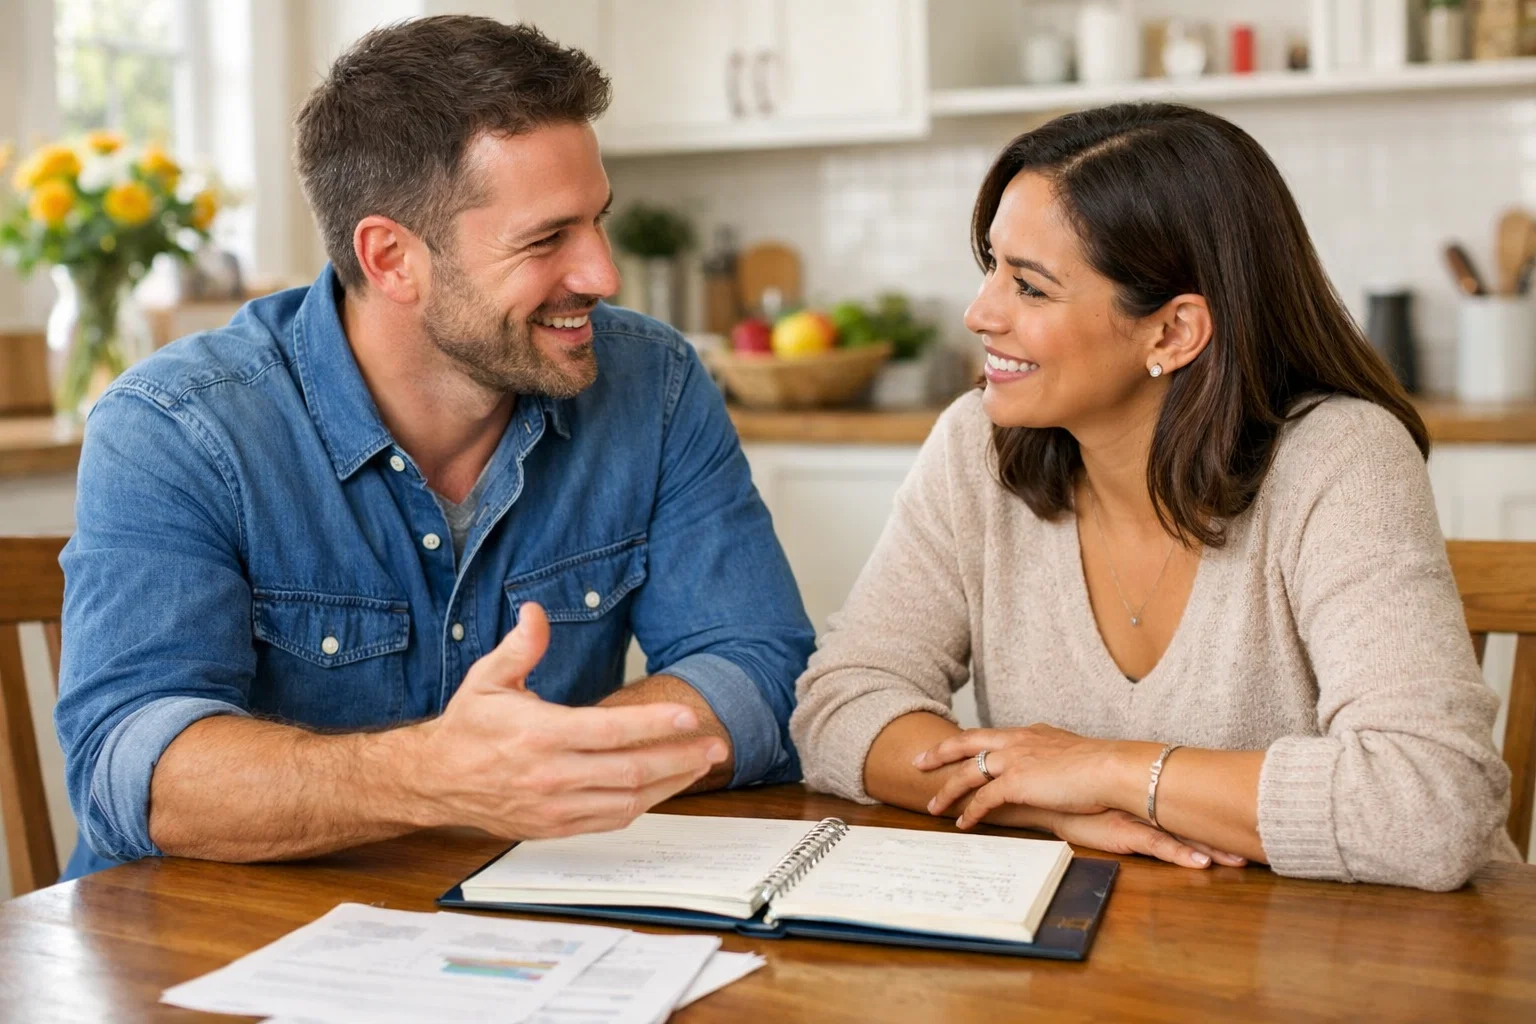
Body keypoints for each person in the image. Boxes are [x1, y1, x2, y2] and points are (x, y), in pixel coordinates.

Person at [54, 16, 813, 879]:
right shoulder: (178, 428)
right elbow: (135, 769)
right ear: (391, 258)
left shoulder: (654, 385)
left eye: (598, 221)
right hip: (212, 952)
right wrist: (434, 778)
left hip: (527, 933)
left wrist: (560, 761)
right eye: (546, 238)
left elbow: (762, 666)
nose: (603, 274)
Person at [789, 103, 1515, 891]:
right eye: (991, 265)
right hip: (1099, 957)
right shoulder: (977, 445)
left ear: (1172, 333)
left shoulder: (1340, 459)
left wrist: (1102, 769)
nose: (980, 313)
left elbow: (1430, 806)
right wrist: (1032, 797)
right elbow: (840, 707)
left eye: (1029, 287)